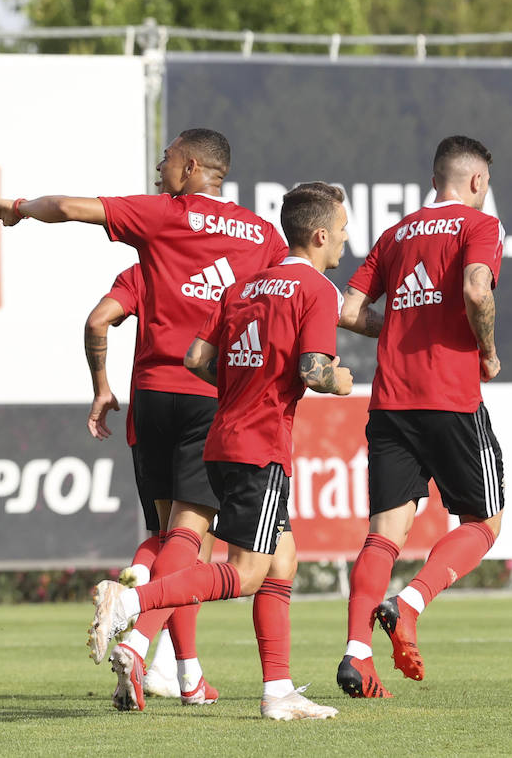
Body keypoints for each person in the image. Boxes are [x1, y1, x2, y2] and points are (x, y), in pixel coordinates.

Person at [0, 128, 288, 710]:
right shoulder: (263, 235)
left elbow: (69, 212)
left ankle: (189, 674)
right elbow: (284, 300)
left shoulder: (161, 223)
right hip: (210, 395)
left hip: (151, 398)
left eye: (165, 161)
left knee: (168, 539)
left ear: (192, 166)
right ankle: (140, 641)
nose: (159, 169)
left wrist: (15, 210)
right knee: (190, 542)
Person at [87, 181, 353, 721]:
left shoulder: (244, 287)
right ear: (322, 235)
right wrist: (340, 381)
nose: (347, 241)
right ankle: (132, 604)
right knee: (246, 572)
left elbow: (196, 357)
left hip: (221, 438)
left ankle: (278, 691)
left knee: (283, 559)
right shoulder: (319, 290)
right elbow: (313, 370)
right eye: (344, 231)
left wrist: (243, 383)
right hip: (261, 445)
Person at [335, 135, 505, 699]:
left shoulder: (395, 234)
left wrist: (402, 328)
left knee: (383, 536)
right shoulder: (479, 226)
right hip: (451, 399)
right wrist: (487, 351)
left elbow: (349, 310)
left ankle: (356, 655)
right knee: (485, 523)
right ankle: (408, 605)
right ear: (477, 182)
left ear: (437, 180)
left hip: (390, 404)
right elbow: (477, 293)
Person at [83, 266, 182, 702]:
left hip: (149, 412)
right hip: (207, 409)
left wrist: (102, 387)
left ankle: (135, 580)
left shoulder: (144, 271)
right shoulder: (232, 258)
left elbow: (98, 318)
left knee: (164, 537)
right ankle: (154, 656)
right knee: (192, 547)